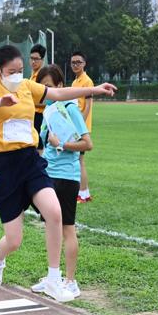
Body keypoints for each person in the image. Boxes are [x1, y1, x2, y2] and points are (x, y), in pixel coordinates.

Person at [0, 44, 116, 301]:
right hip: (3, 166)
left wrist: (94, 89)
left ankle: (54, 279)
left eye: (20, 70)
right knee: (14, 240)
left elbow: (59, 93)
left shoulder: (27, 87)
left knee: (54, 212)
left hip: (30, 160)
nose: (17, 75)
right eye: (11, 71)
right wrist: (2, 101)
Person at [32, 64, 92, 298]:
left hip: (67, 177)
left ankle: (71, 281)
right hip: (49, 174)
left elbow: (87, 144)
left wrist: (62, 145)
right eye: (41, 87)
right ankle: (53, 278)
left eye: (47, 86)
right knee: (51, 227)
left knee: (67, 228)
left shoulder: (69, 108)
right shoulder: (48, 110)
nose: (44, 91)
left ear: (59, 86)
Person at [70, 51, 93, 203]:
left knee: (80, 160)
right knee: (77, 159)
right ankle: (84, 192)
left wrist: (80, 126)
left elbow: (88, 106)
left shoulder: (87, 81)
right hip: (76, 125)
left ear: (84, 64)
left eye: (78, 62)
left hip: (81, 127)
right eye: (73, 62)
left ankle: (83, 194)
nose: (75, 65)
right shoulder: (75, 82)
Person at [29, 44, 47, 155]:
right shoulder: (33, 75)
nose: (33, 61)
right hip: (33, 114)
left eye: (36, 59)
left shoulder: (43, 76)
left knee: (39, 146)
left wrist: (30, 103)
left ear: (42, 60)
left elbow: (46, 100)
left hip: (40, 115)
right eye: (31, 58)